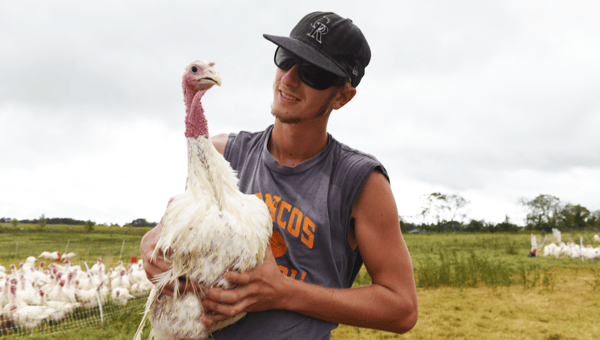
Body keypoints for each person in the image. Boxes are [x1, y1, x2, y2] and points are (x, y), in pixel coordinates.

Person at [140, 11, 418, 339]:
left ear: (342, 95)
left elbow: (402, 308)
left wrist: (283, 291)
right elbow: (178, 226)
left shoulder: (361, 182)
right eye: (286, 59)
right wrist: (153, 240)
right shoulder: (222, 154)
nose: (288, 79)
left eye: (313, 72)